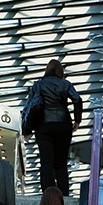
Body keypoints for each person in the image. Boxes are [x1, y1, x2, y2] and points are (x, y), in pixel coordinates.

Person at [23, 59, 83, 196]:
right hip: (63, 125)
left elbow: (29, 107)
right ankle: (64, 195)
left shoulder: (38, 85)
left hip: (43, 126)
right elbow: (77, 99)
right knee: (61, 163)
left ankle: (49, 195)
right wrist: (77, 120)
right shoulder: (65, 84)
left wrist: (27, 130)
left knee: (46, 162)